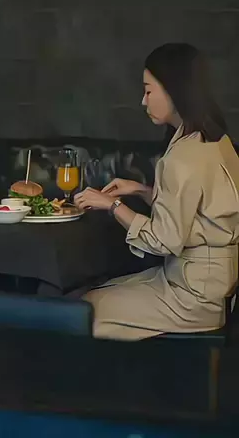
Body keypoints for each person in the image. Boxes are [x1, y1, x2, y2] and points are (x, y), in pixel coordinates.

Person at [74, 43, 239, 340]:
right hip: (216, 286)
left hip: (191, 298)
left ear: (174, 91)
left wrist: (112, 205)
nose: (143, 100)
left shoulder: (183, 157)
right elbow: (195, 213)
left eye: (148, 91)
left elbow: (164, 240)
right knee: (99, 291)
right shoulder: (215, 140)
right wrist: (141, 190)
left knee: (84, 311)